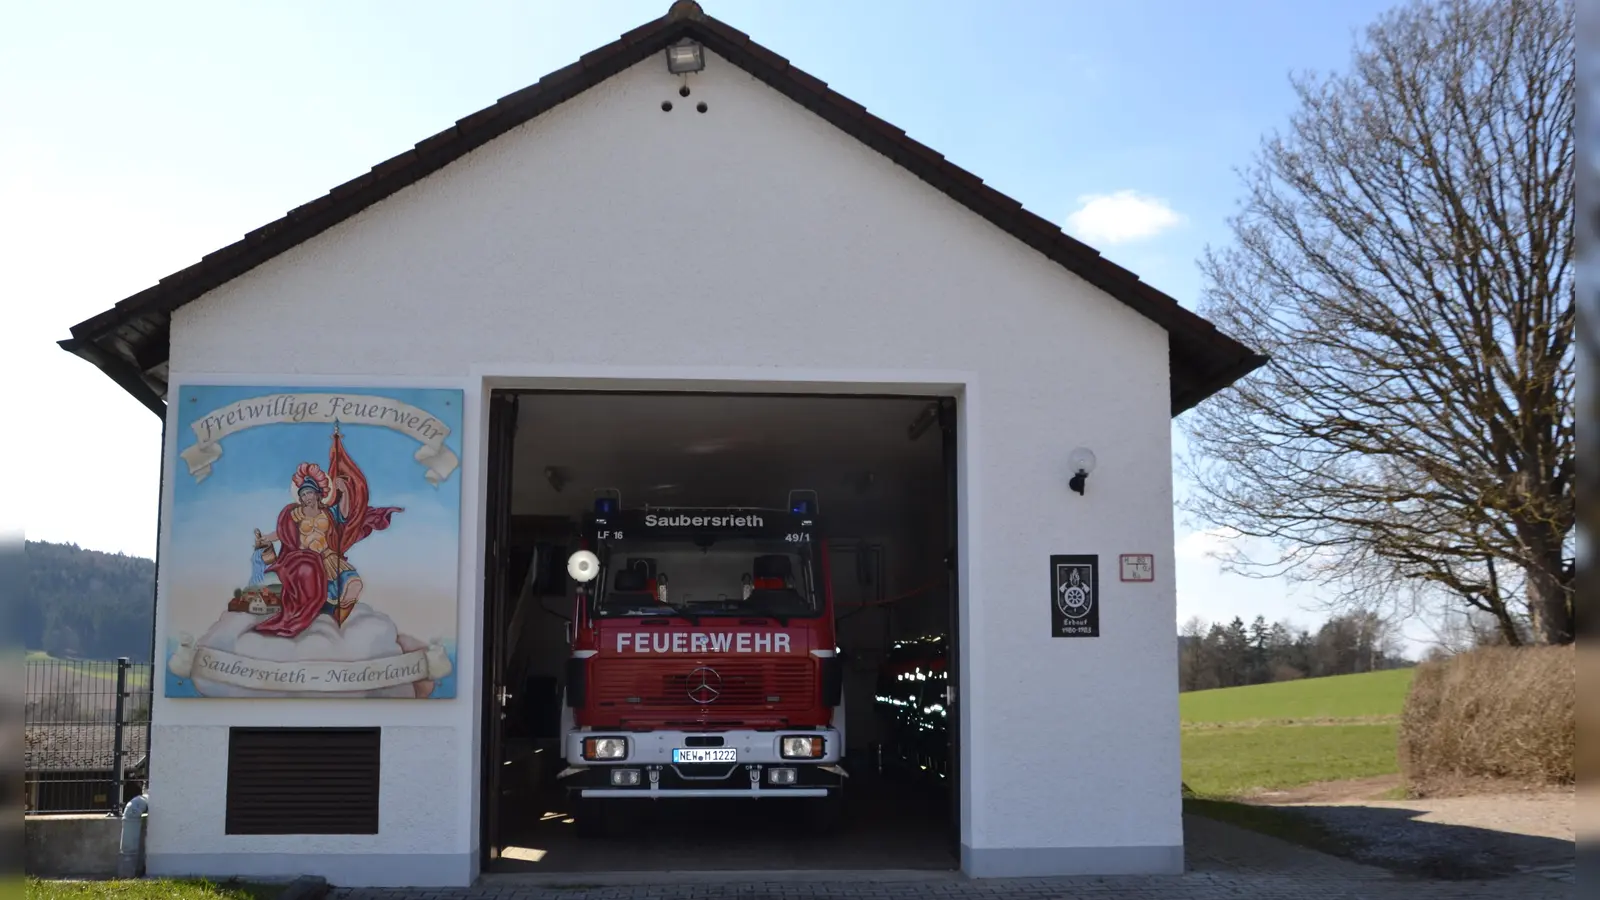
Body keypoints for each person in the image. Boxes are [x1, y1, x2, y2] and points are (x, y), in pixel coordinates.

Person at [250, 429, 401, 638]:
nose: (306, 497)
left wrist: (345, 490)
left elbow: (346, 514)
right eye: (303, 494)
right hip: (304, 562)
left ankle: (334, 624)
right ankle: (315, 624)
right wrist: (266, 538)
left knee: (354, 585)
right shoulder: (294, 514)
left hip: (328, 558)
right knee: (311, 586)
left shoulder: (327, 513)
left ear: (318, 494)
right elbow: (283, 533)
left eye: (310, 492)